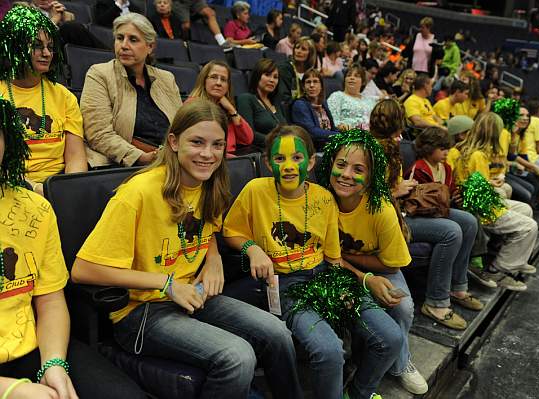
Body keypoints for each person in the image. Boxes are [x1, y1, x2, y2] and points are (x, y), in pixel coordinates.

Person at [71, 99, 303, 399]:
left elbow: (206, 232)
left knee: (278, 334)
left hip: (193, 294)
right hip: (141, 311)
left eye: (217, 144)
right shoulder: (137, 193)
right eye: (197, 142)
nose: (208, 154)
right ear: (174, 141)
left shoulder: (210, 184)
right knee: (237, 356)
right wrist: (166, 283)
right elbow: (83, 270)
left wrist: (214, 259)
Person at [223, 125, 398, 399]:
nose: (289, 166)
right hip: (285, 284)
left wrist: (352, 283)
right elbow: (231, 231)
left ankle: (358, 393)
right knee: (328, 351)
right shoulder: (256, 190)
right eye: (280, 159)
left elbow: (333, 258)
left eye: (297, 158)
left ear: (312, 161)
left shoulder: (324, 198)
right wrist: (252, 248)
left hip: (325, 274)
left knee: (391, 338)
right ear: (268, 162)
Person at [0, 96, 146, 399]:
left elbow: (50, 300)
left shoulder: (35, 208)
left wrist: (53, 364)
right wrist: (10, 390)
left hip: (33, 346)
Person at [317, 129, 429, 396]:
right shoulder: (320, 200)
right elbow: (324, 258)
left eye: (358, 169)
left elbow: (392, 264)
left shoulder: (380, 208)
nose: (346, 174)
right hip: (336, 267)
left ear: (370, 177)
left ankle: (400, 364)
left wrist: (352, 262)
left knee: (401, 306)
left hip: (379, 264)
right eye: (341, 165)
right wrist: (362, 277)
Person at [0, 5, 87, 196]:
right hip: (10, 186)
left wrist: (71, 190)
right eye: (37, 46)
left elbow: (75, 157)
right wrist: (34, 189)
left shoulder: (63, 95)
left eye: (50, 47)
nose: (47, 53)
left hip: (57, 186)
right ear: (15, 47)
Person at [81, 13, 182, 169]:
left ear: (150, 47)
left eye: (133, 40)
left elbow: (182, 125)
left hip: (172, 159)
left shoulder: (166, 79)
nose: (124, 45)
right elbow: (98, 134)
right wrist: (141, 157)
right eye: (120, 38)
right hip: (127, 165)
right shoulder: (99, 74)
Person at [405, 127, 482, 329]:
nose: (447, 151)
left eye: (447, 147)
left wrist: (455, 195)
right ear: (429, 148)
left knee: (469, 221)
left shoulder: (446, 167)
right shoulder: (418, 168)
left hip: (436, 212)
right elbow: (414, 202)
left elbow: (449, 193)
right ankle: (435, 302)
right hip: (414, 215)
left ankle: (458, 287)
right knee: (452, 230)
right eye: (442, 148)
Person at [454, 112, 538, 291]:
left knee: (525, 210)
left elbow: (477, 184)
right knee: (529, 226)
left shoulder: (476, 152)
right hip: (478, 207)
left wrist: (492, 186)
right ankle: (498, 270)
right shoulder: (478, 155)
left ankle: (511, 257)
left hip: (480, 201)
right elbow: (478, 194)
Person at [187, 60, 253, 155]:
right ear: (204, 80)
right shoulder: (192, 105)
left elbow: (247, 139)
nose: (219, 83)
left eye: (223, 79)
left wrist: (231, 109)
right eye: (214, 77)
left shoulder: (226, 108)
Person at [237, 58, 286, 147]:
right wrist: (278, 142)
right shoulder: (246, 99)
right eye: (267, 75)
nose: (272, 80)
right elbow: (250, 134)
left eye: (275, 77)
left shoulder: (276, 102)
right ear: (257, 76)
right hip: (261, 152)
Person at [291, 68, 337, 148]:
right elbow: (312, 132)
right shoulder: (300, 105)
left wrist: (346, 133)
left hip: (329, 147)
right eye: (308, 82)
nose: (312, 85)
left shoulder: (323, 104)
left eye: (315, 81)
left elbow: (332, 129)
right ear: (303, 87)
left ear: (321, 86)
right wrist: (340, 135)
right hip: (313, 150)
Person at [327, 64, 378, 130]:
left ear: (362, 82)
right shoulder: (337, 96)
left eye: (356, 76)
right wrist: (343, 127)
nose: (352, 78)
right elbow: (332, 121)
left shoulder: (369, 100)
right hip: (348, 135)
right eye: (348, 75)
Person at [276, 36, 317, 106]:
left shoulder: (311, 73)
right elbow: (284, 97)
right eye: (297, 48)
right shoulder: (284, 69)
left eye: (303, 49)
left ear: (310, 54)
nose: (299, 51)